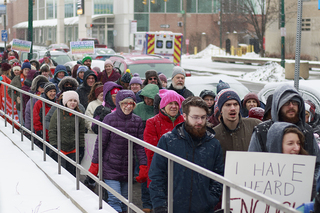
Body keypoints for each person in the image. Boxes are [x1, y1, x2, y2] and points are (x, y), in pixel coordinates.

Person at [149, 96, 224, 213]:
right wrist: (160, 206)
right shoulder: (168, 141)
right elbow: (157, 175)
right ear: (184, 116)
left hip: (203, 208)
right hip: (172, 208)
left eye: (203, 117)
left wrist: (210, 199)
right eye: (195, 117)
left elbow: (218, 176)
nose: (199, 121)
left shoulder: (213, 144)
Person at [88, 90, 147, 213]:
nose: (128, 106)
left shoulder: (137, 121)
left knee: (125, 201)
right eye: (125, 103)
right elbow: (101, 143)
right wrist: (95, 164)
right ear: (119, 104)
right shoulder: (109, 119)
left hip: (127, 167)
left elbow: (139, 146)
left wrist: (143, 165)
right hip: (110, 165)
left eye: (131, 103)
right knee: (115, 199)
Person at [248, 84, 320, 179]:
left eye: (295, 102)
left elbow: (317, 164)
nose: (291, 106)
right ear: (278, 105)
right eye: (286, 103)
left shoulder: (307, 131)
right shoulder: (262, 131)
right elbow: (252, 164)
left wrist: (309, 182)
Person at [144, 89, 185, 186]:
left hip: (182, 172)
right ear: (163, 105)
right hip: (159, 171)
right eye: (170, 103)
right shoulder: (152, 122)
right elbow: (151, 150)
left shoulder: (184, 121)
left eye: (176, 103)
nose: (174, 106)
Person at [213, 89, 261, 160]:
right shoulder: (214, 135)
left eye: (235, 104)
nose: (232, 108)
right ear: (221, 110)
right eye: (228, 105)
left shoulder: (255, 125)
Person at [49, 91, 85, 177]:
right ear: (65, 102)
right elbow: (52, 130)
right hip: (60, 148)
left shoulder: (79, 115)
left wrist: (81, 147)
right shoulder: (58, 113)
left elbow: (81, 133)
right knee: (61, 174)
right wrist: (53, 145)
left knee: (72, 174)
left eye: (75, 101)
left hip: (73, 149)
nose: (73, 103)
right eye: (70, 100)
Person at [33, 82, 57, 148]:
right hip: (44, 134)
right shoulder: (39, 103)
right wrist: (39, 131)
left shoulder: (57, 103)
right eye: (50, 91)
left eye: (54, 91)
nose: (53, 93)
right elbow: (36, 118)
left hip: (55, 135)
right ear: (46, 92)